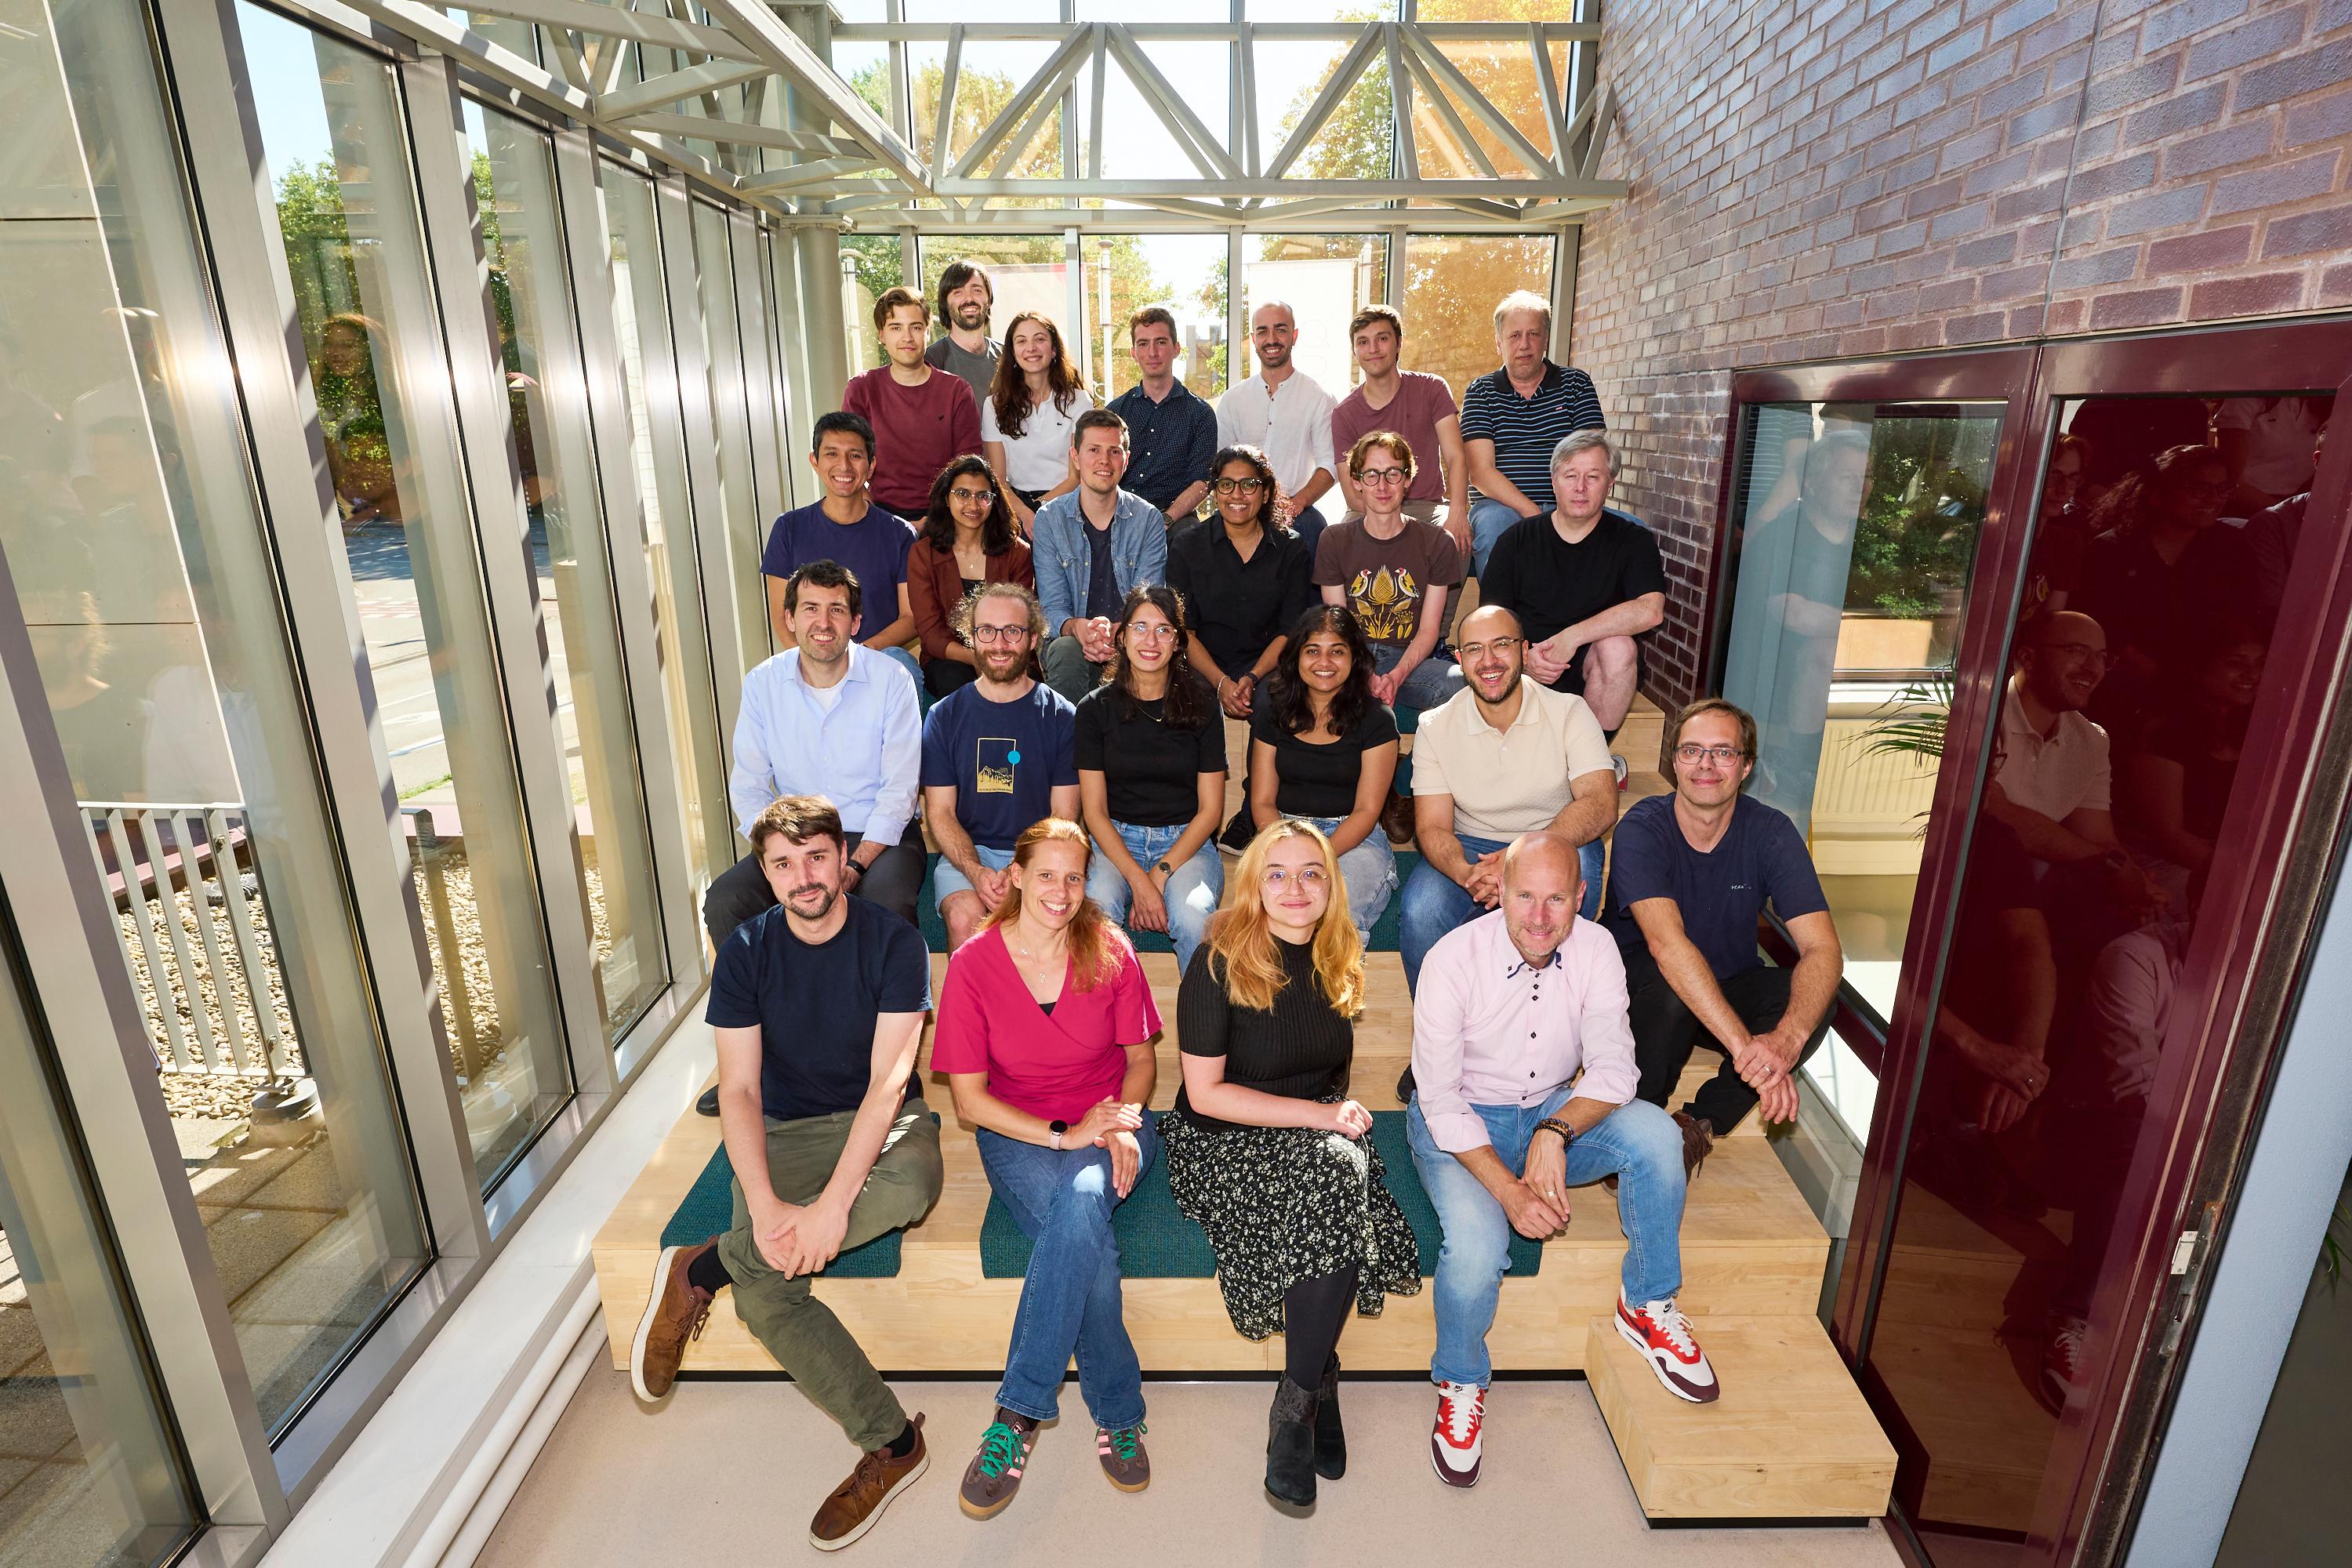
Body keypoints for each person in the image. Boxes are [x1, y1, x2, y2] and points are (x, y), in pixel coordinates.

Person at [629, 796, 944, 1552]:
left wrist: (834, 1208)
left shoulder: (896, 943)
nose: (803, 877)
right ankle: (894, 1444)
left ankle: (705, 1267)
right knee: (769, 1291)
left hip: (884, 1122)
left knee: (913, 1186)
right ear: (765, 874)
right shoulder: (744, 952)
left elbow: (887, 1085)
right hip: (786, 1129)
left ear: (844, 860)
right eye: (782, 863)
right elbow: (736, 1089)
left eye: (815, 858)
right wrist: (768, 1201)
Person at [1409, 833, 1714, 1488]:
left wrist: (1554, 1129)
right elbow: (1436, 1098)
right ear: (1499, 893)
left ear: (1581, 898)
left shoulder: (1597, 948)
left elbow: (1615, 1068)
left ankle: (1648, 1303)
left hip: (1553, 1106)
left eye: (1556, 899)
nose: (1540, 918)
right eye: (1524, 896)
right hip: (1459, 1119)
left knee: (1659, 1136)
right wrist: (1511, 1191)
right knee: (1477, 1247)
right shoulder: (1450, 959)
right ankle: (1461, 1382)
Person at [1161, 819, 1421, 1511]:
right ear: (1252, 886)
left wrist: (1328, 1118)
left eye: (1312, 872)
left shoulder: (1339, 952)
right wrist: (1319, 1120)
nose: (1296, 887)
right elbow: (1203, 1094)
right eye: (1277, 873)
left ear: (1331, 884)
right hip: (1220, 1140)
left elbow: (1326, 1073)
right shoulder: (1218, 959)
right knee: (1339, 1176)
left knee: (1336, 1173)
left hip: (1311, 1130)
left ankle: (1298, 1400)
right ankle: (1311, 1393)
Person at [932, 818, 1161, 1517]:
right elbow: (969, 1101)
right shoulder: (974, 964)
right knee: (1089, 1236)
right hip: (1021, 1131)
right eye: (1047, 875)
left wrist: (1118, 1121)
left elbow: (1144, 1060)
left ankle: (1017, 1416)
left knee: (1085, 1203)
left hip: (1114, 1120)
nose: (1060, 892)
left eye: (1074, 877)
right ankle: (1118, 1410)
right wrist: (1065, 1136)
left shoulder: (1112, 949)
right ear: (1018, 878)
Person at [1601, 699, 1843, 1171]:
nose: (1705, 765)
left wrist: (1784, 1042)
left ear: (1746, 766)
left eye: (1723, 752)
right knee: (1670, 985)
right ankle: (1639, 1125)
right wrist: (1747, 1050)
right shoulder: (1643, 827)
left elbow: (1824, 950)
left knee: (1817, 995)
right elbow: (1667, 948)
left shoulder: (1771, 832)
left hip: (1726, 984)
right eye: (1691, 751)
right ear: (1674, 763)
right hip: (1642, 989)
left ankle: (1698, 1124)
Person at [706, 562, 923, 949]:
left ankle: (877, 1008)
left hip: (877, 835)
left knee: (887, 902)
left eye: (836, 610)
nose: (823, 622)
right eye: (810, 608)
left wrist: (853, 865)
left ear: (855, 622)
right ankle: (764, 1006)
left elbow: (900, 790)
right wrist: (786, 857)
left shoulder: (892, 679)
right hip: (795, 837)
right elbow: (750, 786)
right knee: (727, 900)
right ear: (790, 618)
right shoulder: (763, 683)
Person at [1401, 605, 1617, 993]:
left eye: (1501, 645)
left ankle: (1556, 1008)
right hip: (1473, 848)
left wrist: (1520, 858)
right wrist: (1467, 874)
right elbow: (1432, 827)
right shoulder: (1435, 726)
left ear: (1524, 650)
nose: (1488, 661)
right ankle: (1440, 1042)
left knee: (1581, 861)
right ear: (1460, 659)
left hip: (1553, 834)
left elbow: (1600, 803)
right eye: (1474, 650)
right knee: (1422, 910)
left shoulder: (1569, 711)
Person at [1073, 586, 1227, 974]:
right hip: (1113, 839)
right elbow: (1093, 811)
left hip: (1186, 842)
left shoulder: (1204, 707)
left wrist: (1158, 874)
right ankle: (1105, 1030)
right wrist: (1138, 881)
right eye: (1140, 627)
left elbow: (1210, 812)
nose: (1151, 640)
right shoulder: (1094, 709)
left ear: (1178, 643)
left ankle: (1201, 1032)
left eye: (1164, 630)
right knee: (1096, 916)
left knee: (1193, 920)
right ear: (1121, 637)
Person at [1984, 612, 2167, 931]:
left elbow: (2097, 838)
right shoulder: (1984, 717)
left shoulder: (2092, 740)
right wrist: (2112, 867)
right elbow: (1994, 813)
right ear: (2028, 657)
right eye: (2077, 652)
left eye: (2102, 657)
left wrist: (2136, 887)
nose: (2093, 669)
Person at [1477, 431, 1667, 739]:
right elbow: (1489, 619)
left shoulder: (1632, 540)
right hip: (1526, 666)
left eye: (1593, 477)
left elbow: (1650, 611)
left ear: (1610, 485)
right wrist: (1523, 659)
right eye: (1571, 476)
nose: (1580, 487)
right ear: (1554, 482)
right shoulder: (1516, 540)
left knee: (1619, 648)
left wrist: (1572, 638)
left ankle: (1589, 758)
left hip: (1592, 670)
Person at [921, 584, 1079, 950]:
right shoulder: (943, 716)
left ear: (1033, 638)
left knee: (1041, 926)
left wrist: (1018, 869)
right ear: (972, 637)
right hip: (968, 852)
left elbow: (1064, 816)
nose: (999, 643)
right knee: (964, 918)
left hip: (1041, 853)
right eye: (986, 631)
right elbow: (940, 813)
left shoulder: (1061, 717)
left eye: (1013, 631)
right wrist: (976, 871)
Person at [1248, 606, 1400, 939]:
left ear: (1354, 659)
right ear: (1296, 657)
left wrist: (1314, 859)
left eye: (1337, 652)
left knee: (1336, 921)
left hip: (1353, 840)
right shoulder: (1272, 713)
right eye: (1313, 651)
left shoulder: (1378, 720)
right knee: (1267, 921)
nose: (1324, 663)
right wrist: (1290, 852)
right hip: (1282, 833)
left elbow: (1367, 810)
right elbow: (1261, 801)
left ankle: (1334, 993)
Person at [763, 411, 920, 687]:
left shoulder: (900, 534)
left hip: (875, 655)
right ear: (815, 461)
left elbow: (911, 617)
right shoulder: (789, 528)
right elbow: (781, 613)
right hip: (811, 657)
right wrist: (814, 659)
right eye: (832, 454)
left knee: (903, 665)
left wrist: (857, 654)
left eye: (855, 455)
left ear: (871, 465)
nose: (844, 466)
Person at [1316, 431, 1468, 713]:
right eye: (1371, 475)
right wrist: (1365, 674)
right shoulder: (1333, 539)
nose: (1382, 485)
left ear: (1408, 480)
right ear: (1356, 482)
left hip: (1408, 659)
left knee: (1458, 684)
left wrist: (1396, 677)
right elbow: (1338, 626)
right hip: (1349, 657)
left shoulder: (1437, 542)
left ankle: (1417, 757)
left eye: (1393, 474)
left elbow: (1430, 630)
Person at [1459, 290, 1606, 573]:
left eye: (1533, 334)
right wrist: (1535, 516)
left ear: (1546, 339)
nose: (1524, 345)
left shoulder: (1576, 384)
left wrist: (1563, 512)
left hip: (1568, 502)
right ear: (1499, 343)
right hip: (1502, 507)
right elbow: (1481, 473)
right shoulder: (1481, 391)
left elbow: (1592, 458)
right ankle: (1500, 616)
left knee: (1634, 531)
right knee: (1493, 528)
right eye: (1514, 336)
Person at [1168, 444, 1315, 720]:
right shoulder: (1187, 545)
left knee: (1276, 702)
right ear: (1214, 491)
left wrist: (1253, 677)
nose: (1237, 495)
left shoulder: (1291, 548)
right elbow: (1184, 631)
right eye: (1226, 484)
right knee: (1189, 702)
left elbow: (1289, 631)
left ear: (1266, 492)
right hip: (1203, 665)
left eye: (1248, 484)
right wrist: (1221, 682)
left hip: (1268, 666)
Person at [1033, 410, 1168, 703]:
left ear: (1126, 459)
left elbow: (1149, 604)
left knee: (1145, 650)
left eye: (1114, 451)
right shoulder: (1049, 519)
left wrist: (1117, 635)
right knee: (1066, 651)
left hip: (1130, 636)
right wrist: (1078, 628)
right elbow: (1053, 607)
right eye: (1094, 450)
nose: (1104, 461)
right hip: (1071, 639)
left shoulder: (1148, 519)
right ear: (1076, 457)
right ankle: (1068, 748)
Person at [1330, 305, 1469, 555]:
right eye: (1363, 342)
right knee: (1341, 542)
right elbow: (1353, 496)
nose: (1373, 349)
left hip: (1427, 507)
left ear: (1399, 344)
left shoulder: (1432, 389)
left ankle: (1435, 598)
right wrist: (1390, 524)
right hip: (1370, 509)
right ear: (1354, 351)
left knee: (1453, 541)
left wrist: (1458, 512)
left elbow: (1456, 457)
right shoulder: (1344, 414)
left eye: (1382, 338)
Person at [844, 286, 982, 521]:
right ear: (881, 335)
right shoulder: (862, 389)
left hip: (945, 518)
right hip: (879, 517)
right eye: (896, 327)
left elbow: (967, 471)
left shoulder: (957, 392)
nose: (907, 338)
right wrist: (877, 518)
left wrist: (931, 523)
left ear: (928, 332)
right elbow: (848, 460)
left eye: (916, 327)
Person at [906, 456, 1036, 700]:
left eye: (983, 496)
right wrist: (975, 657)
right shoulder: (923, 554)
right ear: (947, 498)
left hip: (1007, 652)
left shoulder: (1017, 553)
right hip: (948, 657)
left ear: (994, 501)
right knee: (956, 681)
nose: (973, 505)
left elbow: (1022, 622)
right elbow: (930, 633)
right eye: (963, 494)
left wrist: (995, 655)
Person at [1216, 302, 1338, 561]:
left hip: (1296, 510)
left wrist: (1297, 503)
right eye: (1262, 331)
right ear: (1253, 339)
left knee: (1316, 529)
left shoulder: (1318, 398)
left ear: (1294, 335)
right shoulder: (1232, 400)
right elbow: (1220, 466)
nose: (1271, 339)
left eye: (1280, 330)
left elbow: (1330, 465)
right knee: (1205, 538)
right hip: (1241, 506)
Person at [1107, 306, 1217, 526]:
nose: (1152, 352)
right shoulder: (1115, 412)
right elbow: (1105, 472)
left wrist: (1165, 520)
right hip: (1122, 515)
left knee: (1191, 539)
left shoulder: (1200, 414)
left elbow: (1202, 482)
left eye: (1161, 342)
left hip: (1176, 518)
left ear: (1176, 349)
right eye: (1143, 344)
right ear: (1133, 352)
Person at [982, 311, 1091, 528]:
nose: (1031, 348)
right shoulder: (994, 405)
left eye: (1039, 339)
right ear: (1013, 352)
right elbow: (998, 479)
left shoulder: (1078, 401)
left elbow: (1076, 476)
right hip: (1014, 506)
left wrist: (1041, 509)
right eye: (1021, 341)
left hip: (1068, 503)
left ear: (1053, 350)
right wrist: (1024, 513)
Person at [925, 260, 1000, 406]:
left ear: (989, 300)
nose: (969, 298)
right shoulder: (930, 362)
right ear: (945, 303)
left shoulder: (1009, 357)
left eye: (977, 290)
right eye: (958, 292)